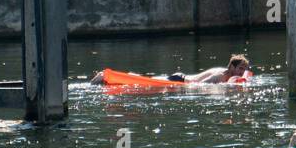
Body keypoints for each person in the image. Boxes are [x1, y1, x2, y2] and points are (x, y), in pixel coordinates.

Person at [89, 54, 250, 85]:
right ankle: (105, 75)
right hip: (180, 80)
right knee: (148, 82)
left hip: (181, 77)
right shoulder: (219, 76)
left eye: (244, 70)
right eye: (240, 69)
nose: (242, 72)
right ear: (231, 66)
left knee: (150, 80)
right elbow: (200, 86)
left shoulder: (226, 72)